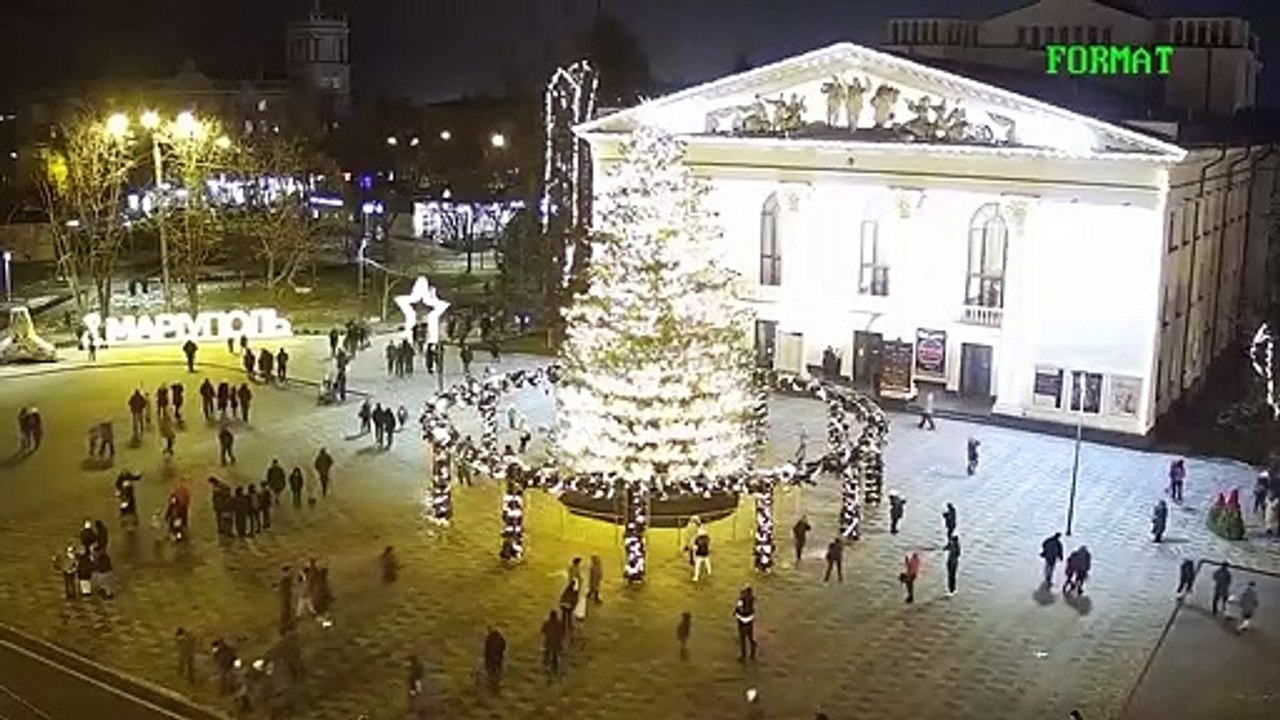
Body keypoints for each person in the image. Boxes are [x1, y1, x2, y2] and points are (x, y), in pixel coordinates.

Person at [734, 586, 757, 661]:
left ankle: (743, 655)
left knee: (742, 639)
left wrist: (736, 614)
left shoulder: (741, 600)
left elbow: (738, 609)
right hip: (750, 620)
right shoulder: (752, 599)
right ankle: (753, 651)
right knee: (750, 636)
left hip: (742, 620)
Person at [483, 626, 506, 692]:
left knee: (492, 670)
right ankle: (495, 682)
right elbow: (503, 647)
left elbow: (486, 650)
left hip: (492, 658)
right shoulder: (500, 639)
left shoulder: (489, 639)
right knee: (497, 669)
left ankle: (493, 682)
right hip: (497, 657)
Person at [541, 611, 564, 675]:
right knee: (555, 655)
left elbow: (543, 631)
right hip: (556, 642)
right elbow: (562, 632)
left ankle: (546, 665)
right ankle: (555, 668)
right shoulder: (559, 623)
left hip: (549, 641)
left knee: (547, 653)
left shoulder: (547, 623)